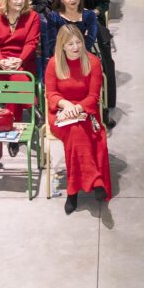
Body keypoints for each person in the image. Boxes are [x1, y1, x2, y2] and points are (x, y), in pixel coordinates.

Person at [46, 23, 112, 212]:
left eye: (79, 42)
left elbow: (93, 96)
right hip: (60, 112)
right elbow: (51, 94)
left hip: (86, 110)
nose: (76, 47)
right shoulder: (54, 63)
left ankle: (73, 191)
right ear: (62, 46)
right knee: (75, 131)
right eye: (70, 44)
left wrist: (78, 107)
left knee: (76, 133)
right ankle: (95, 180)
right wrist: (66, 105)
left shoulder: (93, 62)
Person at [0, 0, 42, 112]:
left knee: (16, 77)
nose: (20, 1)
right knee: (16, 77)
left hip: (24, 62)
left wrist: (20, 60)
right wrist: (1, 61)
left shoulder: (33, 16)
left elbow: (31, 42)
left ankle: (12, 119)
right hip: (1, 64)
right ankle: (34, 110)